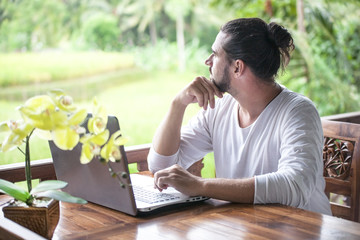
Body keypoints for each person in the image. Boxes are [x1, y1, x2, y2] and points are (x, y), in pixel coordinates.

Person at [147, 18, 332, 215]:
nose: (207, 61)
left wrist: (200, 185)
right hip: (246, 228)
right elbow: (161, 167)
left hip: (301, 231)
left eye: (215, 54)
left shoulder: (298, 112)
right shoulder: (219, 108)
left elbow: (293, 187)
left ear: (237, 67)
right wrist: (178, 104)